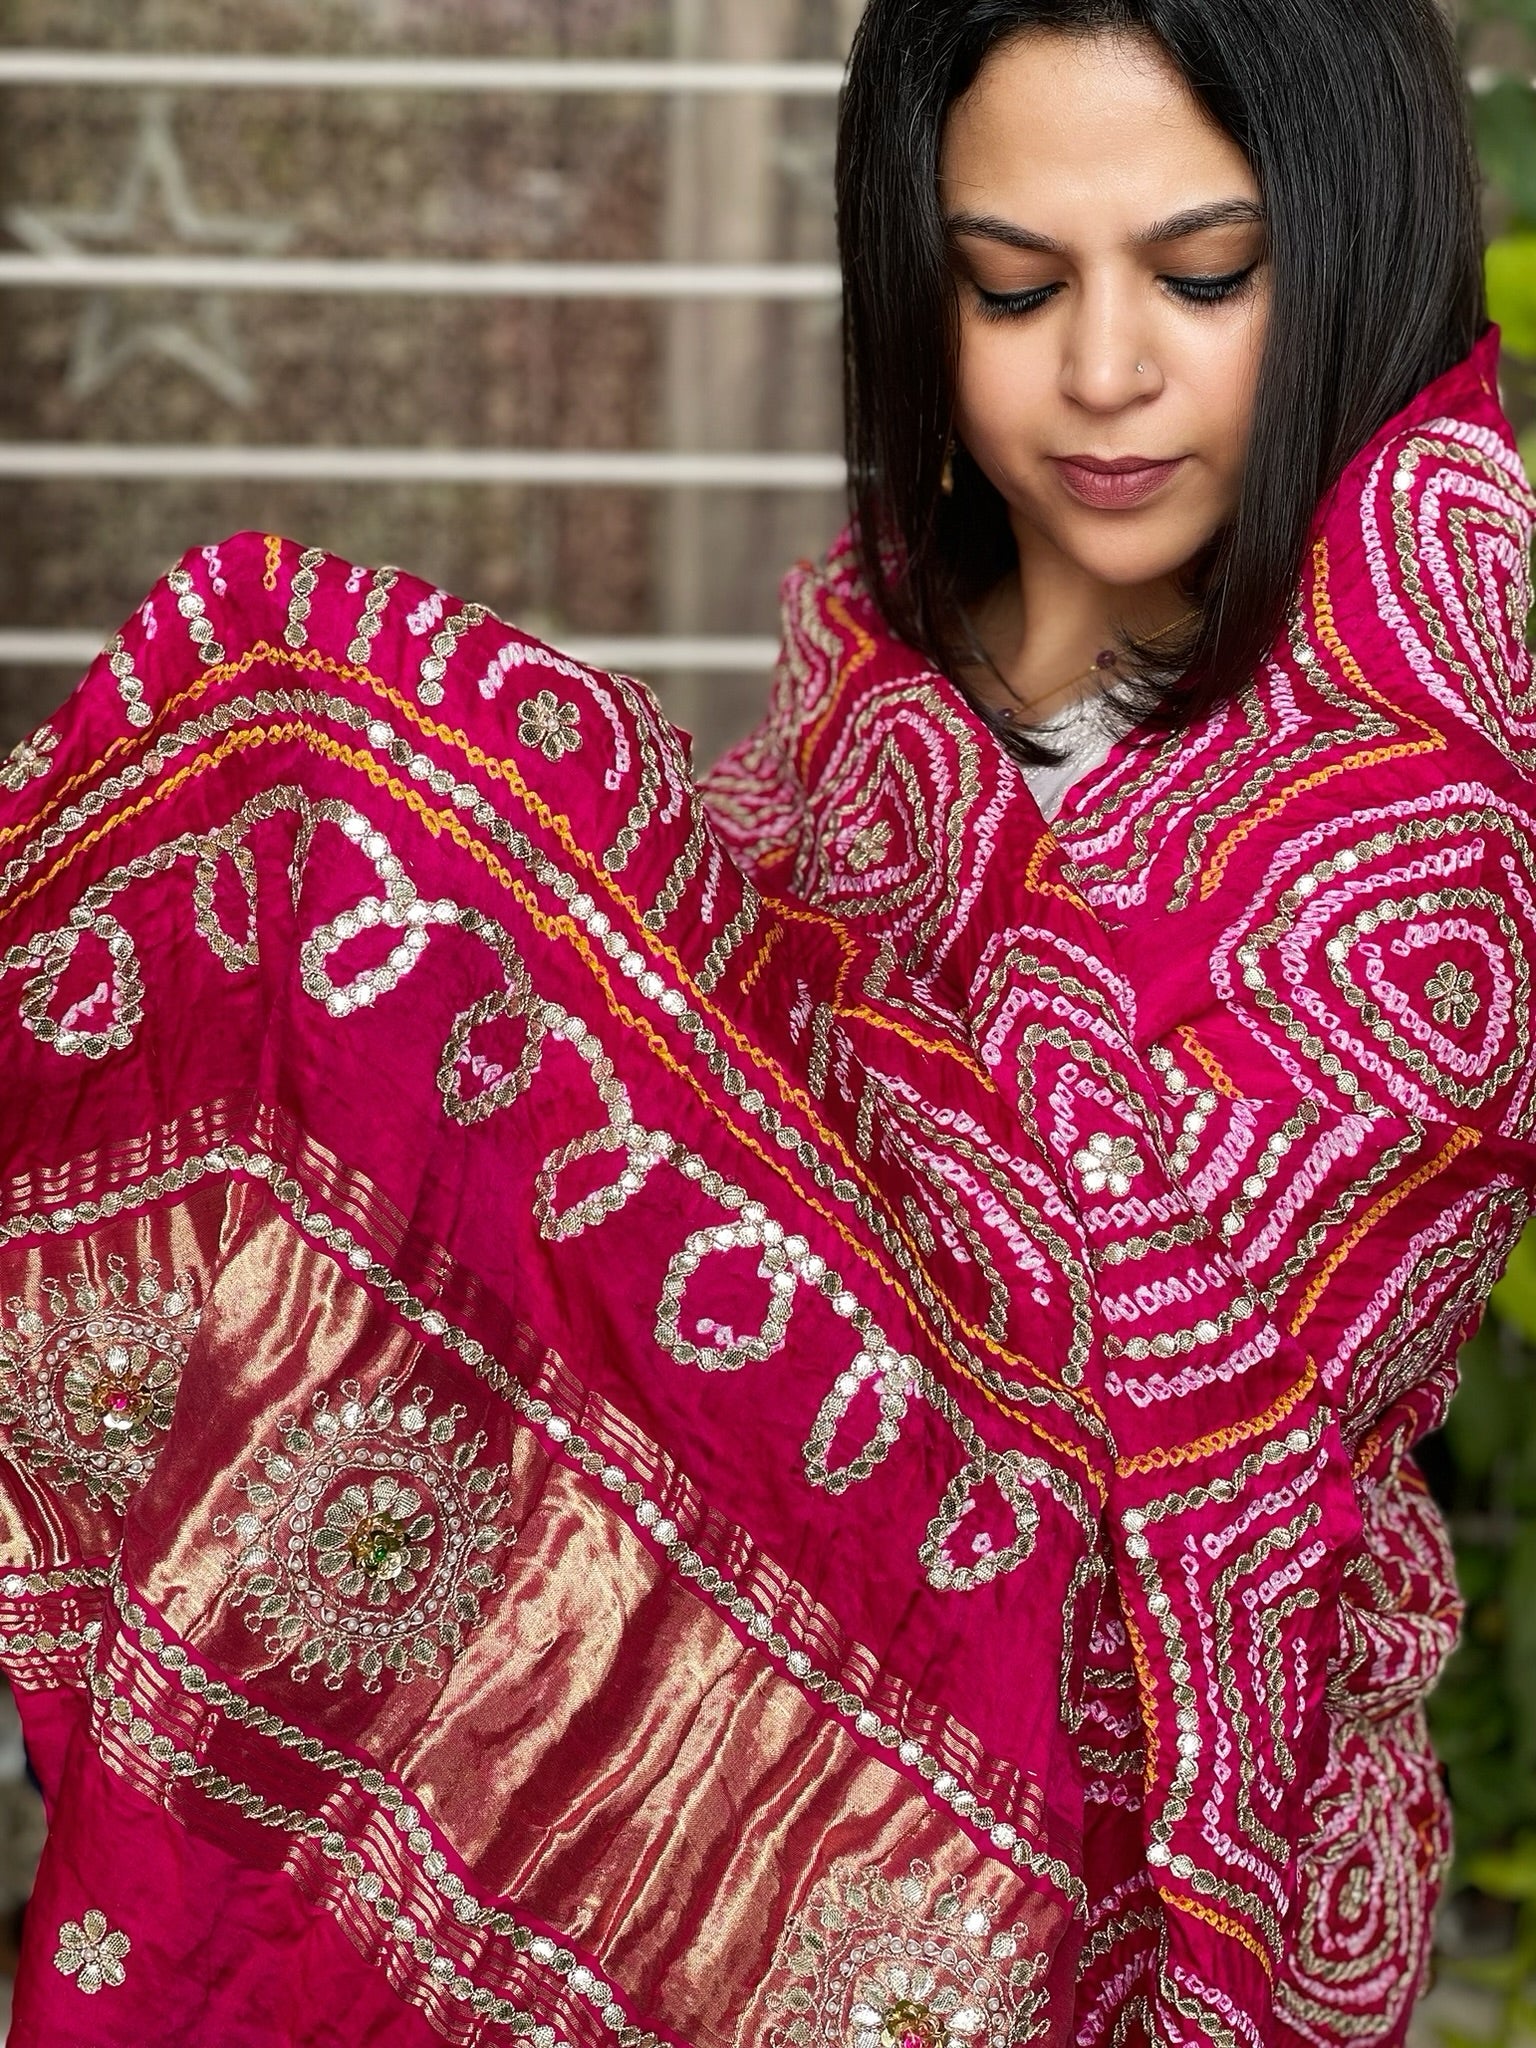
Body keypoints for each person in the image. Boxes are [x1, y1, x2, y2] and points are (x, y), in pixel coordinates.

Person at [0, 2, 1524, 2044]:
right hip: (715, 1603)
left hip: (1089, 1787)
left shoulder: (1433, 763)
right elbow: (707, 1053)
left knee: (342, 748)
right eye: (1009, 284)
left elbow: (1147, 1401)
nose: (1100, 371)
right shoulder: (890, 630)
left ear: (1352, 236)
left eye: (1203, 273)